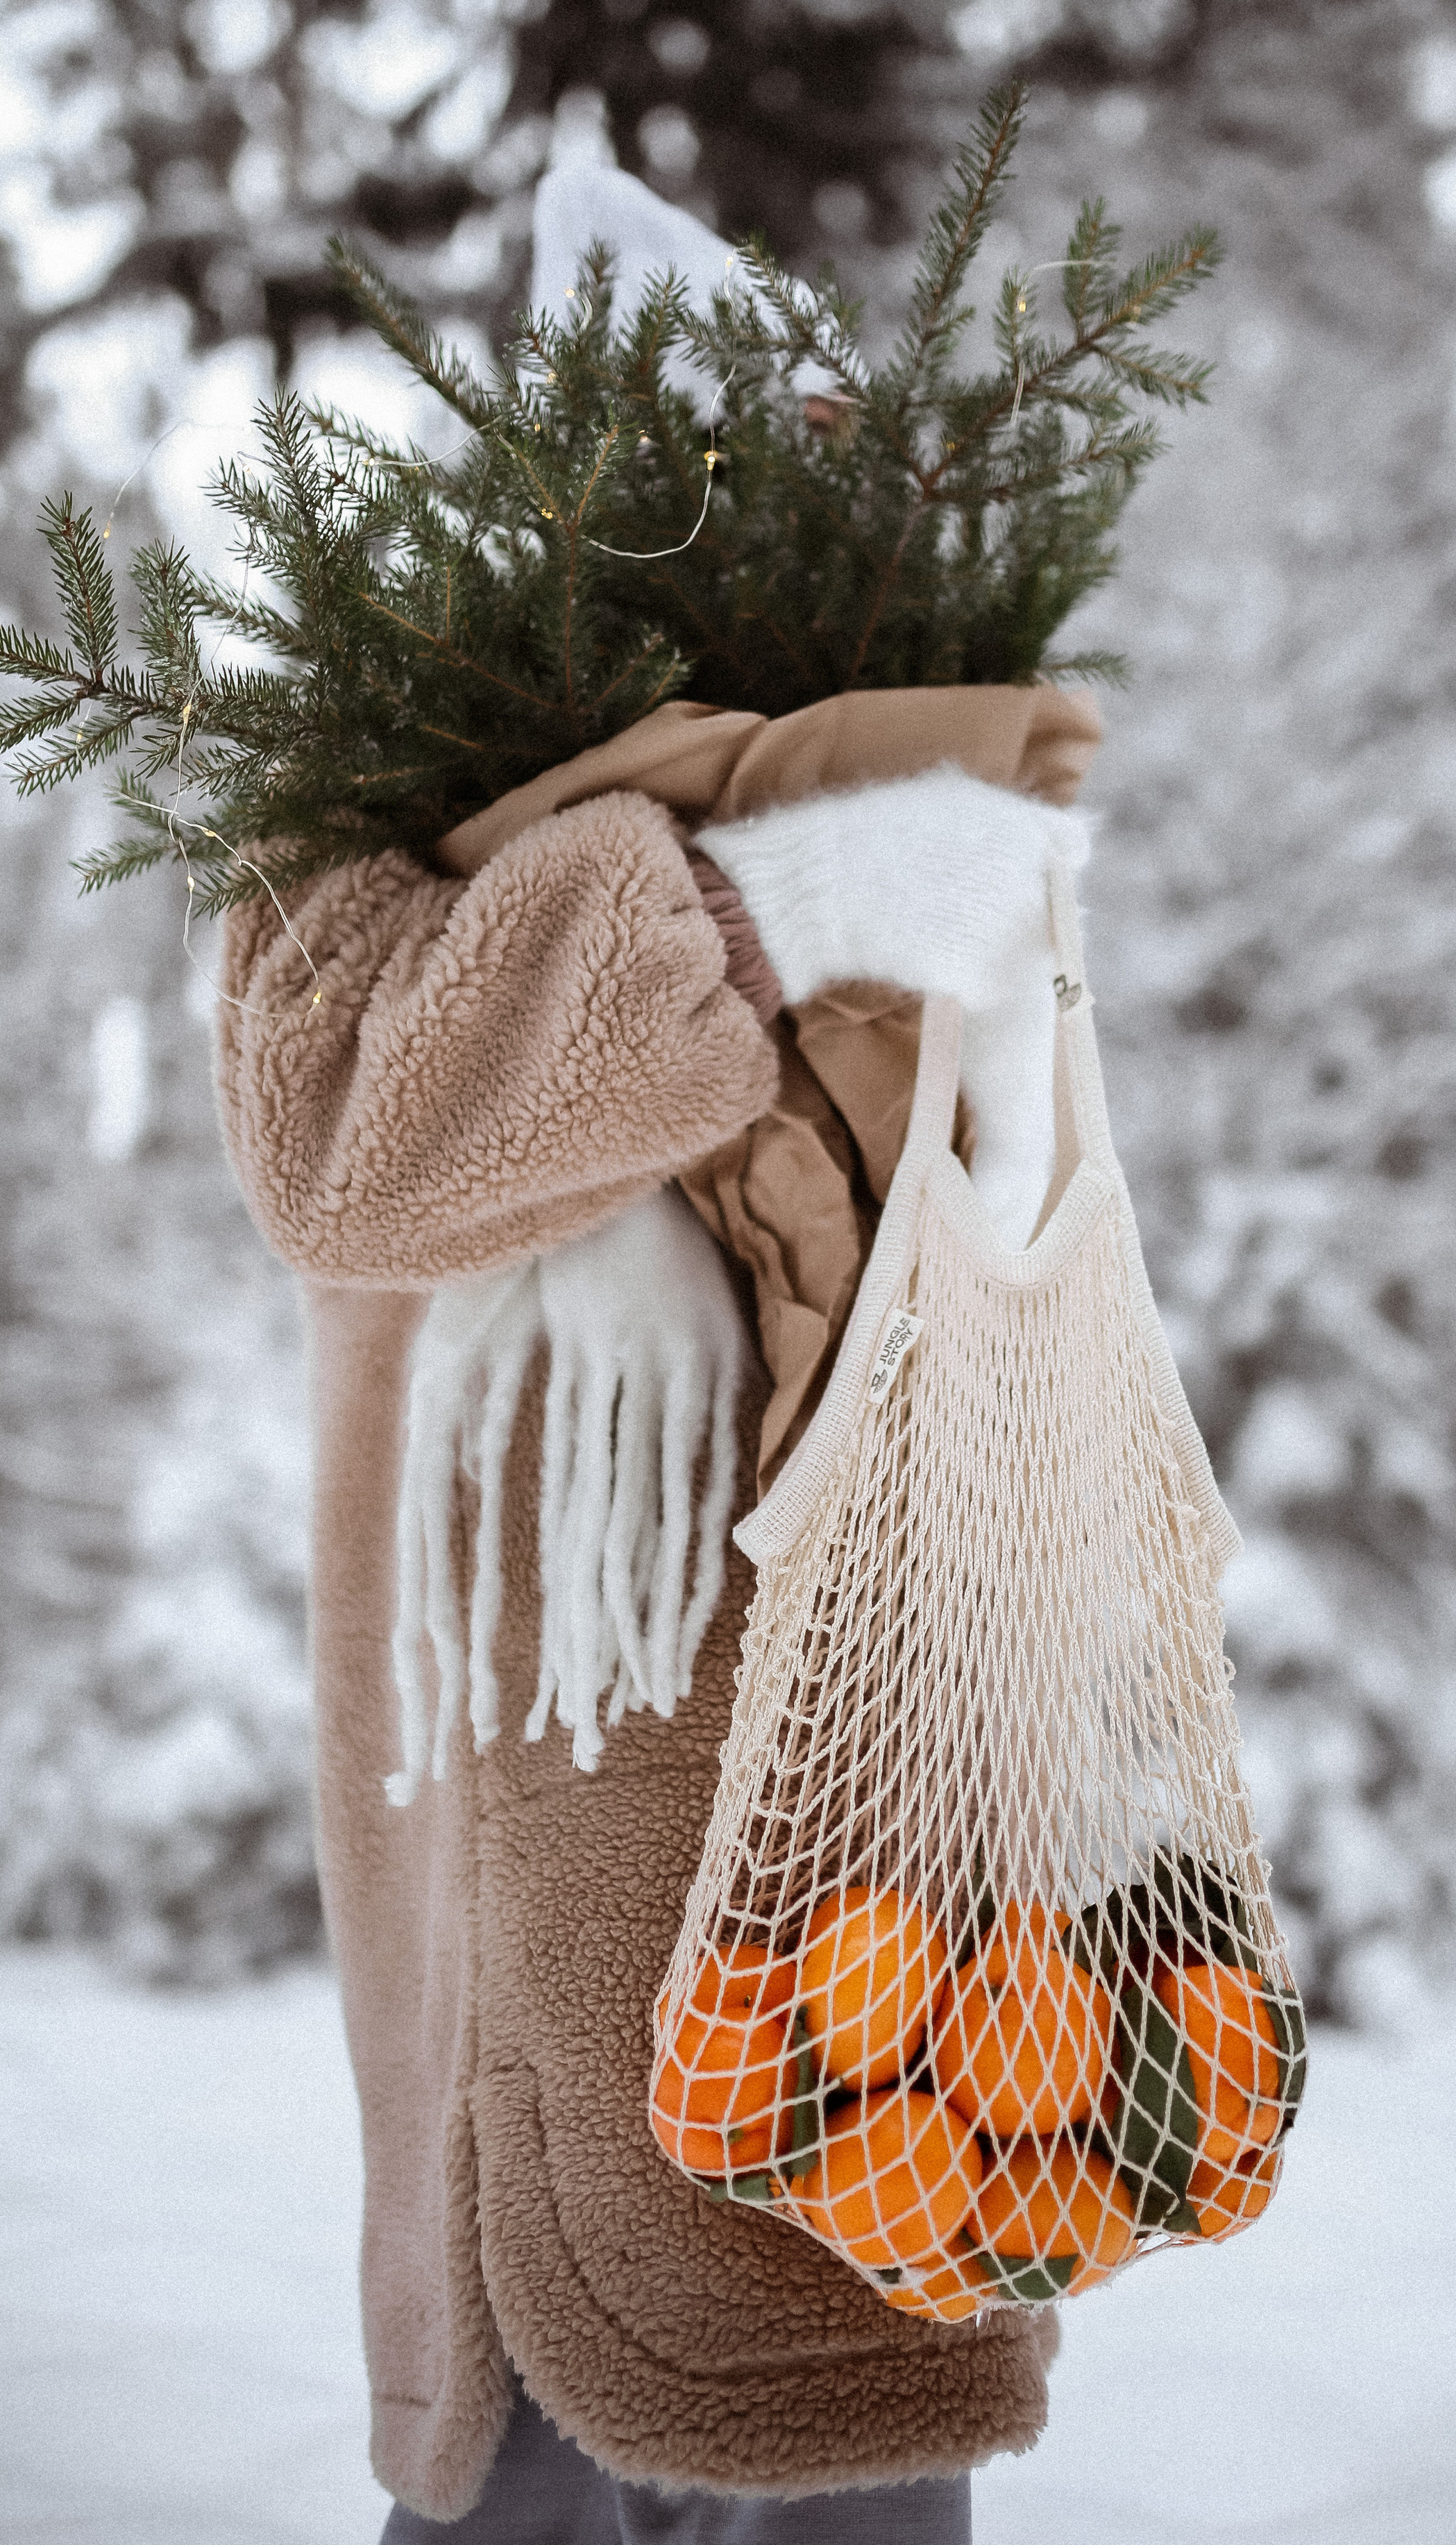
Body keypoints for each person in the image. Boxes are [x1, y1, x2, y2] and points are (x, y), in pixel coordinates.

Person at [213, 164, 1096, 2542]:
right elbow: (355, 1158)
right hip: (533, 1944)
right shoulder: (372, 819)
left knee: (862, 2477)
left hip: (885, 1954)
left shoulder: (926, 827)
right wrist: (760, 907)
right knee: (521, 2484)